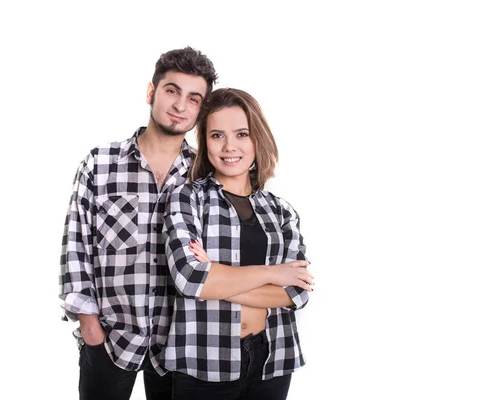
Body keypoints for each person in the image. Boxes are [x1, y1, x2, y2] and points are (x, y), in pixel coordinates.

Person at [59, 47, 217, 400]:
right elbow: (76, 246)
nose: (180, 106)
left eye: (193, 99)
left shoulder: (205, 176)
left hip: (182, 345)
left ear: (201, 110)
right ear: (151, 92)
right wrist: (90, 328)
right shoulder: (100, 164)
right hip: (111, 338)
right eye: (172, 91)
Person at [162, 88, 313, 400]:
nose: (230, 146)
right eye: (217, 135)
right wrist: (273, 273)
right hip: (204, 359)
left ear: (257, 139)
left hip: (273, 358)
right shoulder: (187, 198)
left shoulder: (282, 211)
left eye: (241, 134)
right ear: (205, 143)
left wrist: (216, 276)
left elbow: (296, 292)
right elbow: (190, 280)